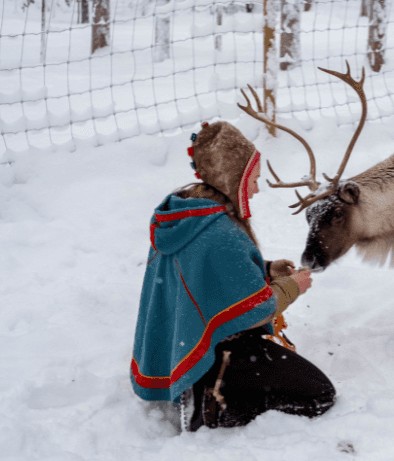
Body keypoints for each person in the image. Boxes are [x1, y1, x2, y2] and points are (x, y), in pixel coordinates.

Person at [130, 121, 335, 431]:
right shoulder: (221, 232)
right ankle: (218, 402)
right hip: (223, 350)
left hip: (184, 341)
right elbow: (257, 310)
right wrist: (292, 287)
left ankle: (208, 383)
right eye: (252, 179)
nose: (255, 188)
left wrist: (264, 270)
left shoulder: (184, 214)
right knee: (319, 394)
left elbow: (205, 275)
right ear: (233, 179)